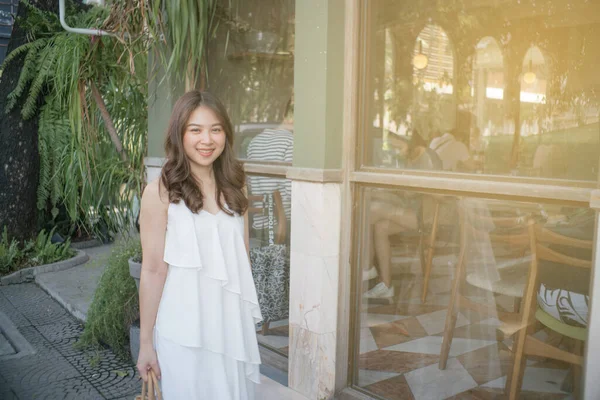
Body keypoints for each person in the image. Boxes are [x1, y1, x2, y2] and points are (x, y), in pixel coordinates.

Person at [136, 91, 262, 399]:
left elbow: (240, 258)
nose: (207, 139)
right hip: (184, 329)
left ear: (226, 135)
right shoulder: (159, 193)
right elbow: (152, 271)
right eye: (196, 129)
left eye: (216, 129)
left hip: (229, 325)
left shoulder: (235, 185)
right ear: (180, 134)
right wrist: (145, 343)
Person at [363, 131, 438, 298]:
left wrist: (395, 190)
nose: (395, 149)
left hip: (429, 215)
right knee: (380, 226)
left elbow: (423, 190)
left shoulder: (426, 157)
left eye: (398, 144)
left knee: (373, 210)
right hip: (416, 210)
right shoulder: (414, 158)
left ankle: (366, 266)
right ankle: (386, 286)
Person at [246, 97, 293, 233]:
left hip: (259, 225)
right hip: (283, 227)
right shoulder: (290, 142)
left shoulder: (254, 142)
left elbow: (250, 183)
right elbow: (292, 191)